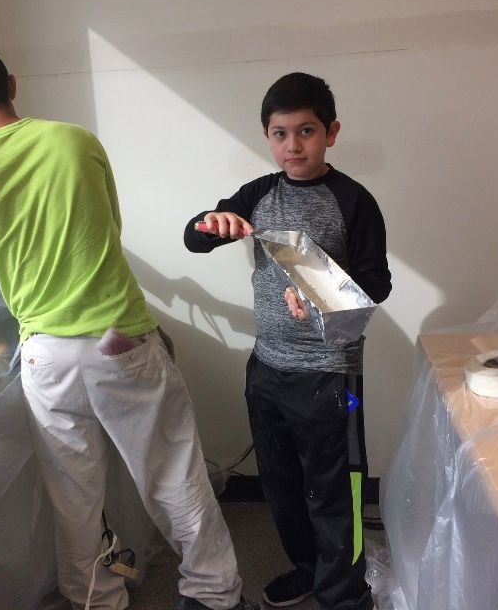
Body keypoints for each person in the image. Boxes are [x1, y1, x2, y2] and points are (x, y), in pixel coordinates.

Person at [0, 38, 257, 610]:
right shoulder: (74, 140)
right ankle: (215, 596)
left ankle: (97, 599)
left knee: (72, 496)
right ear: (13, 83)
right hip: (120, 339)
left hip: (46, 354)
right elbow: (110, 226)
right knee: (173, 476)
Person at [183, 73, 391, 610]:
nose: (292, 146)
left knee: (336, 491)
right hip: (268, 372)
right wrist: (214, 221)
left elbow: (378, 282)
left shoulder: (353, 200)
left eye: (306, 131)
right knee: (283, 488)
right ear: (267, 136)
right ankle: (309, 569)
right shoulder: (259, 193)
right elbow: (194, 237)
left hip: (329, 376)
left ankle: (345, 595)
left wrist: (322, 291)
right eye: (279, 133)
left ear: (332, 133)